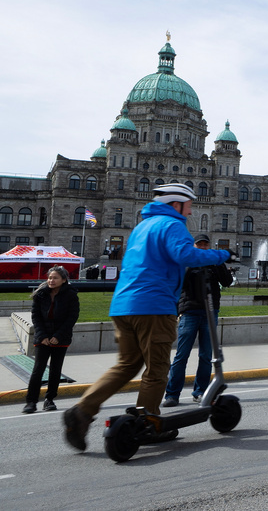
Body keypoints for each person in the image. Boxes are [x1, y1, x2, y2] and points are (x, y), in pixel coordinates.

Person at [62, 183, 233, 452]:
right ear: (176, 204)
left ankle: (83, 411)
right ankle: (148, 424)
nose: (190, 212)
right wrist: (222, 254)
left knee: (127, 365)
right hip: (154, 306)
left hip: (123, 306)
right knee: (156, 370)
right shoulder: (172, 224)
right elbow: (185, 254)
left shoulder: (141, 227)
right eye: (188, 206)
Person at [162, 234, 234, 407]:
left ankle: (200, 391)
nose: (202, 247)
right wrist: (193, 263)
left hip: (210, 312)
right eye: (199, 244)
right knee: (182, 354)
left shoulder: (215, 262)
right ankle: (172, 394)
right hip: (190, 312)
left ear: (209, 246)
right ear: (194, 246)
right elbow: (177, 283)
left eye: (205, 244)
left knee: (206, 355)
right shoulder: (186, 261)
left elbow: (227, 281)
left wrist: (216, 263)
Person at [24, 266, 80, 414]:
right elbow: (35, 316)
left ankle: (49, 400)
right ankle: (31, 402)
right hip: (42, 338)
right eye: (49, 277)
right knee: (38, 370)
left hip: (60, 338)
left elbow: (72, 318)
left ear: (63, 280)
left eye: (55, 278)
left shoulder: (71, 295)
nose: (51, 280)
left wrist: (58, 336)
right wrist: (42, 336)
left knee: (55, 370)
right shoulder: (41, 294)